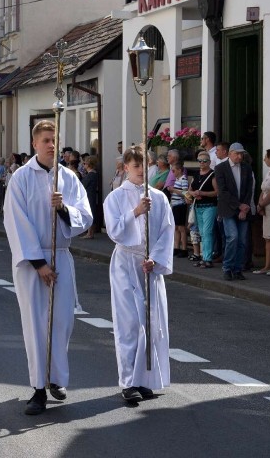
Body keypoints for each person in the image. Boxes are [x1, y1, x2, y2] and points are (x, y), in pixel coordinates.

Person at [4, 120, 93, 416]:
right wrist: (39, 263)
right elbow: (16, 222)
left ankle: (56, 377)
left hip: (62, 255)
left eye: (55, 139)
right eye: (45, 140)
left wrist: (64, 209)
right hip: (33, 262)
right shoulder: (20, 178)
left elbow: (86, 214)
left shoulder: (68, 177)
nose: (51, 144)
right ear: (34, 144)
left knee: (62, 321)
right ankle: (38, 389)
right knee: (36, 324)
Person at [103, 145, 174, 403]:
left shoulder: (159, 197)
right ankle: (128, 382)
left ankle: (145, 379)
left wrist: (155, 258)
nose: (141, 172)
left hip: (149, 266)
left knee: (152, 323)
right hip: (126, 262)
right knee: (129, 323)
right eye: (136, 167)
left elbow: (166, 231)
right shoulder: (115, 198)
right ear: (125, 168)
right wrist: (135, 212)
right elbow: (113, 230)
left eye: (145, 166)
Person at [214, 143, 254, 281]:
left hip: (244, 208)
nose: (240, 156)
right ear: (230, 153)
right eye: (237, 153)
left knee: (242, 241)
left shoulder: (246, 168)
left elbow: (249, 189)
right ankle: (227, 267)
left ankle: (237, 269)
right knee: (233, 237)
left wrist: (246, 206)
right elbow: (223, 191)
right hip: (228, 209)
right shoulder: (220, 168)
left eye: (241, 154)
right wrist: (239, 206)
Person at [189, 150, 217, 268]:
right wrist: (193, 194)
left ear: (209, 162)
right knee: (201, 233)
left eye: (205, 161)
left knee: (207, 232)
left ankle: (208, 258)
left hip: (210, 206)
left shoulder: (212, 174)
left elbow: (217, 192)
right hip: (198, 206)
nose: (202, 163)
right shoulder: (196, 174)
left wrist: (203, 193)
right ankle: (203, 257)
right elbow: (189, 189)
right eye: (200, 161)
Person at [166, 162, 190, 257]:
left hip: (180, 205)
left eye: (174, 171)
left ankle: (184, 248)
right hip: (176, 205)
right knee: (176, 227)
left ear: (180, 170)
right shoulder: (177, 179)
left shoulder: (183, 179)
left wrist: (173, 190)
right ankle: (176, 247)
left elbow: (185, 192)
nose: (173, 172)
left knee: (181, 228)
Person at [82, 156, 100, 239]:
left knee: (90, 213)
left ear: (88, 164)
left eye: (85, 163)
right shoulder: (93, 174)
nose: (83, 165)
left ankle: (90, 233)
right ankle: (90, 232)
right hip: (91, 195)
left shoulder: (91, 175)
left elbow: (83, 185)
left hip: (89, 195)